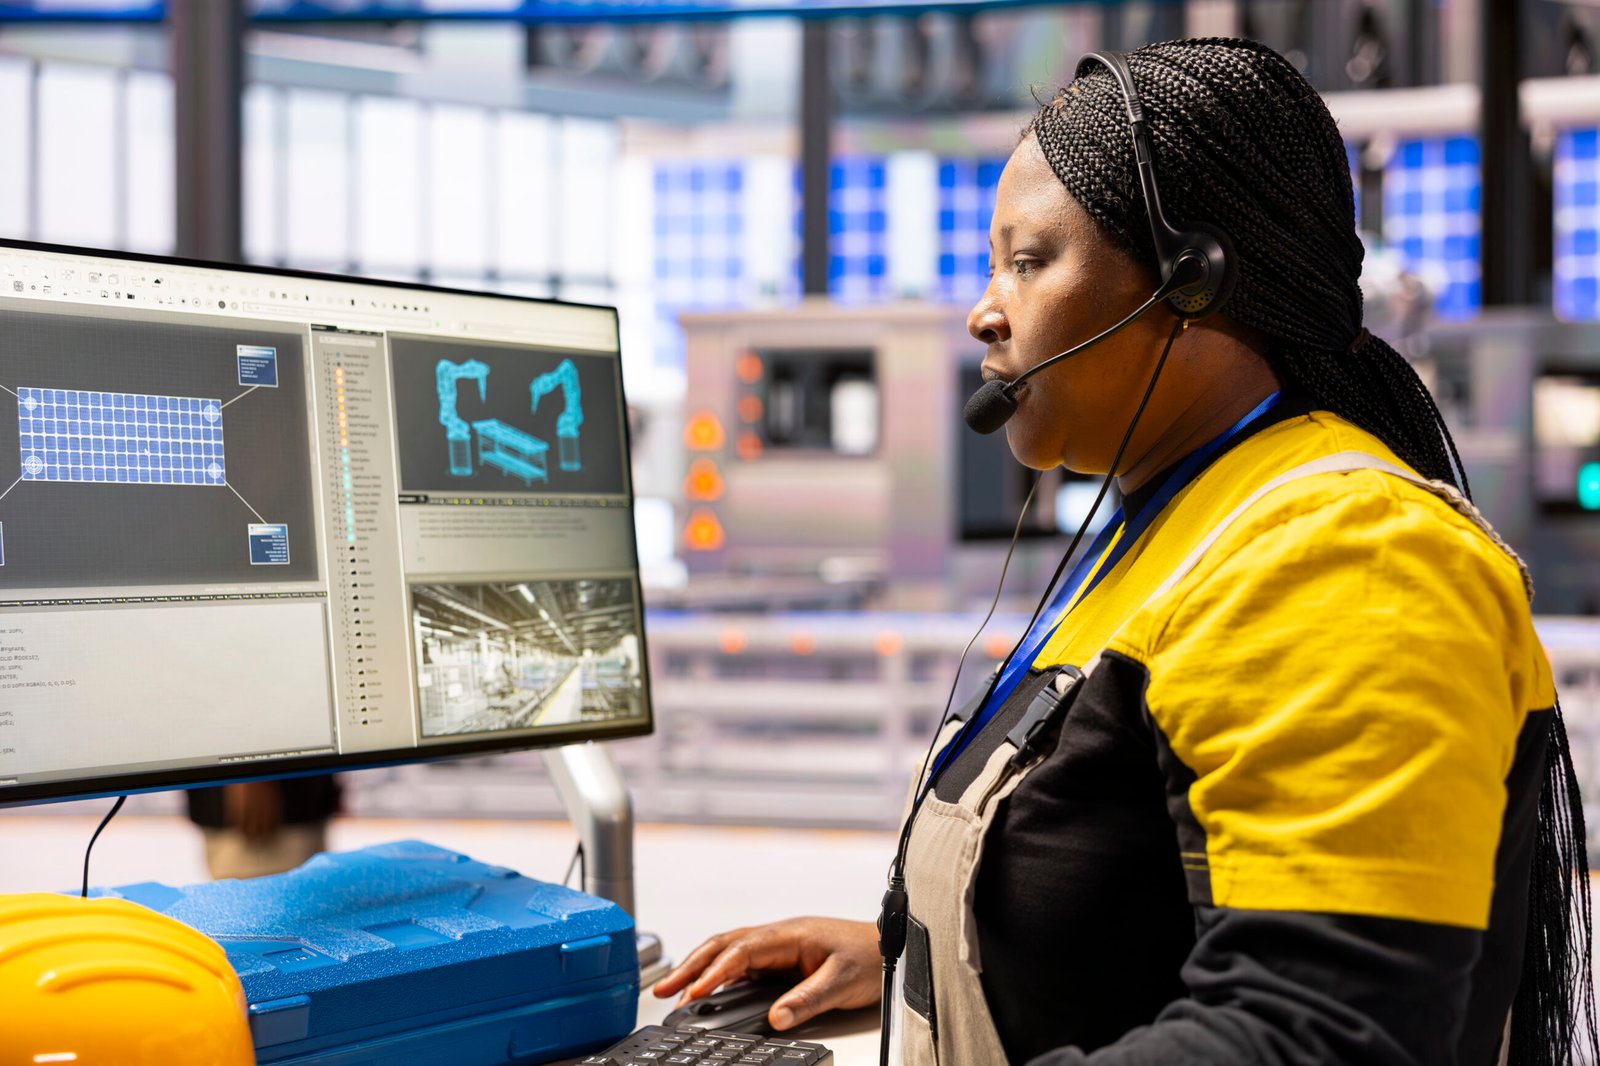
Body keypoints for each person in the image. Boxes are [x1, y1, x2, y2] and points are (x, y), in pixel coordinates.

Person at [652, 38, 1597, 1066]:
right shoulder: (1174, 530)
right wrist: (914, 958)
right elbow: (1131, 884)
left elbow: (1315, 1035)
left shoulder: (1346, 556)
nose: (982, 310)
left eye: (1027, 260)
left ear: (1189, 282)